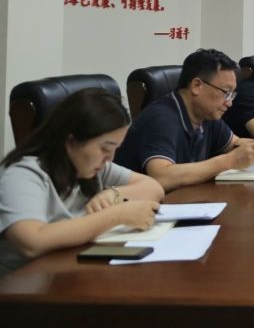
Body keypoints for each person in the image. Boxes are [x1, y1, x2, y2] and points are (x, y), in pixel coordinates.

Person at [0, 89, 164, 275]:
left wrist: (114, 194)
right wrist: (117, 215)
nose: (110, 158)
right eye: (105, 149)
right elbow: (31, 242)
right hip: (21, 285)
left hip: (68, 272)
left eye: (115, 149)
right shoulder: (23, 174)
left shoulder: (91, 166)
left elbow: (153, 187)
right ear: (71, 141)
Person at [115, 49, 254, 191]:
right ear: (196, 86)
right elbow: (162, 177)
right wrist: (228, 161)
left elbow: (235, 144)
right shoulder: (161, 118)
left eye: (232, 95)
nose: (229, 103)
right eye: (226, 93)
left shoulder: (207, 114)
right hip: (138, 204)